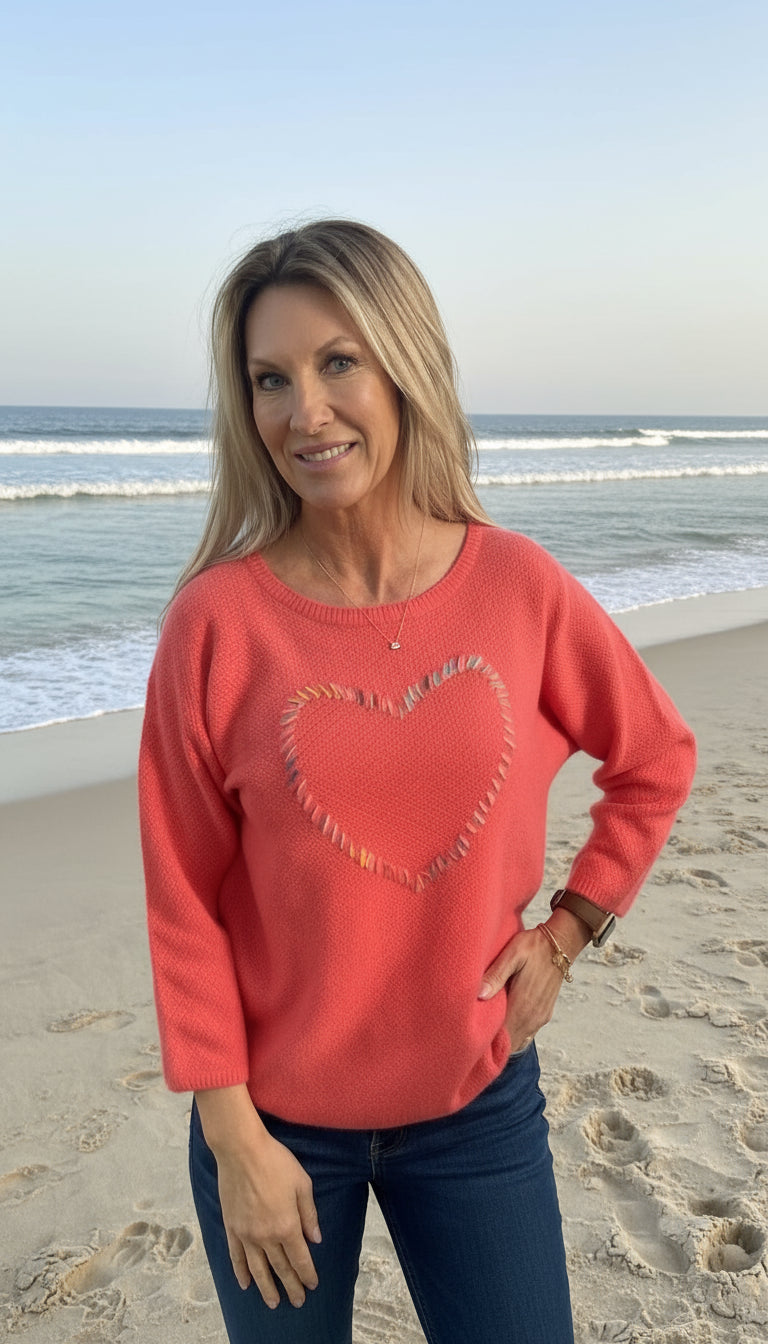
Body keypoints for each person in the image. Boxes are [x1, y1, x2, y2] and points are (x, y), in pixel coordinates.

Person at [138, 219, 696, 1344]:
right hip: (274, 1127)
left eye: (338, 362)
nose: (305, 412)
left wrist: (570, 931)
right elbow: (183, 895)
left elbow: (655, 756)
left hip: (475, 1108)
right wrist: (234, 1137)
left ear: (405, 367)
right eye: (270, 379)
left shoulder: (518, 586)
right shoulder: (217, 624)